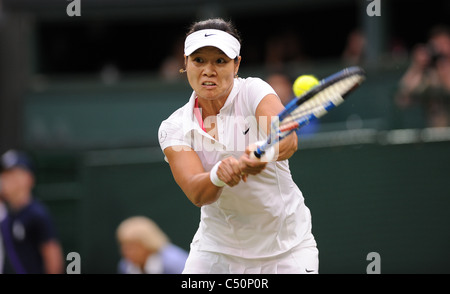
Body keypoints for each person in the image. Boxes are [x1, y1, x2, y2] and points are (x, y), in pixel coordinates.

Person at [158, 18, 318, 274]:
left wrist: (262, 157)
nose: (209, 70)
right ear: (185, 62)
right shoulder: (173, 127)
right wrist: (218, 175)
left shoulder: (255, 91)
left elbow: (288, 140)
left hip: (287, 251)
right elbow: (197, 193)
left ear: (236, 65)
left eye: (220, 61)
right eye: (199, 60)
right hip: (215, 254)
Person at [0, 149, 64, 274]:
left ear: (28, 178)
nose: (6, 179)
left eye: (14, 174)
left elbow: (53, 261)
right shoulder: (6, 215)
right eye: (4, 174)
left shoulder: (37, 214)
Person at [395, 25, 450, 128]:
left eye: (444, 44)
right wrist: (417, 67)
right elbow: (403, 98)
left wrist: (444, 70)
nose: (441, 50)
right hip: (437, 133)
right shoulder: (429, 74)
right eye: (437, 46)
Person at [116, 216, 188, 274]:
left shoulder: (174, 263)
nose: (126, 252)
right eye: (123, 246)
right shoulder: (125, 266)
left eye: (132, 247)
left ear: (148, 245)